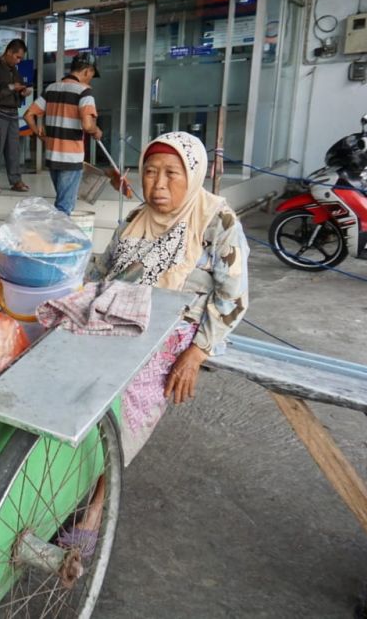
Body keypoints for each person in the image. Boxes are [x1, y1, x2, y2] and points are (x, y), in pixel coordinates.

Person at [90, 131, 249, 465]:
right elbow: (102, 269)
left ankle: (102, 491)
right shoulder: (136, 219)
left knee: (132, 390)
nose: (158, 184)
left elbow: (232, 298)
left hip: (179, 326)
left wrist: (196, 353)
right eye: (150, 172)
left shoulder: (217, 221)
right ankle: (71, 471)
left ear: (191, 176)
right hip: (122, 313)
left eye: (171, 173)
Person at [23, 52, 102, 214]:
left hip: (52, 157)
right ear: (87, 71)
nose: (91, 79)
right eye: (92, 74)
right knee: (64, 208)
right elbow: (87, 126)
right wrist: (97, 130)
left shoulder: (51, 89)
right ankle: (55, 238)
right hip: (70, 158)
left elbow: (28, 115)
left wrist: (40, 136)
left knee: (62, 201)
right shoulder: (84, 92)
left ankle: (55, 236)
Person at [0, 39, 31, 194]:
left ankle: (15, 180)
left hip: (12, 114)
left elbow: (17, 89)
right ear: (9, 52)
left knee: (13, 149)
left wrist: (22, 93)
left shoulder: (13, 70)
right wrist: (11, 87)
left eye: (21, 58)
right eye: (17, 57)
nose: (19, 60)